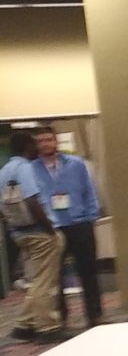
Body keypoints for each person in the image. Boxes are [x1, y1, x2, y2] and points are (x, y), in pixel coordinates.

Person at [31, 125, 104, 328]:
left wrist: (91, 216)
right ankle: (61, 318)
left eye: (49, 139)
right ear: (37, 145)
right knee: (56, 276)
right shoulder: (32, 169)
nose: (46, 144)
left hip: (80, 222)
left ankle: (95, 315)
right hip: (52, 227)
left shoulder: (75, 163)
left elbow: (89, 190)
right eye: (41, 141)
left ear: (56, 141)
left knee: (88, 271)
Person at [2, 131, 66, 342]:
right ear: (28, 147)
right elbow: (32, 200)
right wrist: (50, 230)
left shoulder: (4, 171)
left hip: (18, 233)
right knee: (45, 282)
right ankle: (47, 327)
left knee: (36, 278)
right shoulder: (25, 168)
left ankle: (24, 323)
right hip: (38, 232)